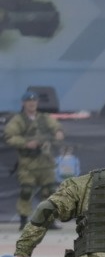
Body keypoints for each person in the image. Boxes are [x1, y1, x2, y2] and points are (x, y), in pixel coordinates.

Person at [3, 90, 65, 230]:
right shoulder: (18, 120)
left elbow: (55, 126)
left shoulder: (44, 118)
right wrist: (25, 143)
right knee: (26, 191)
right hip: (28, 163)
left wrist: (58, 131)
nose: (32, 104)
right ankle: (24, 220)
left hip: (45, 162)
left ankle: (48, 220)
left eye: (34, 101)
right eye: (29, 101)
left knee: (49, 191)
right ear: (23, 103)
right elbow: (9, 137)